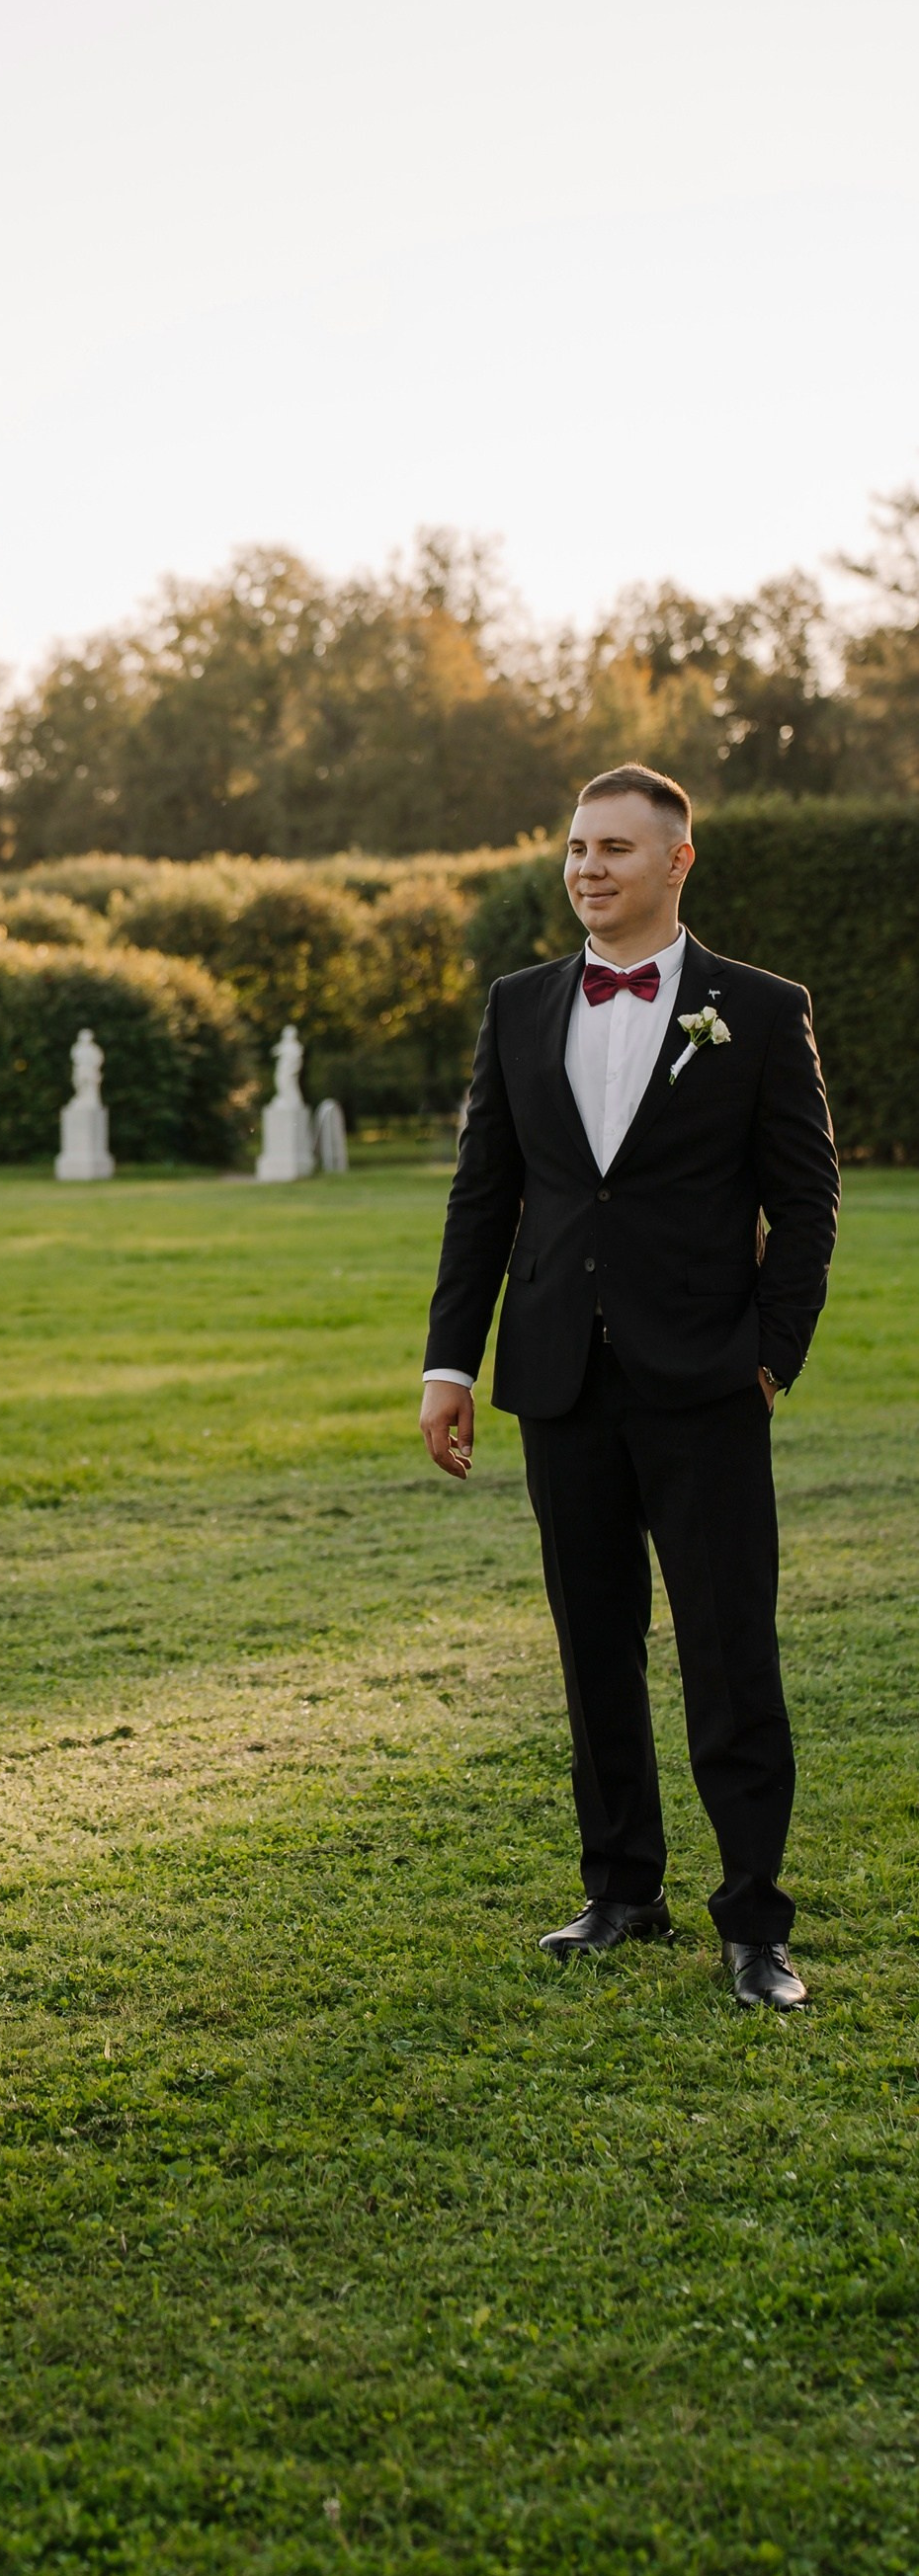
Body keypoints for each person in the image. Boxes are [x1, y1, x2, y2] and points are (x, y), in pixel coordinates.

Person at [419, 765, 840, 2011]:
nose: (587, 868)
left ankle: (754, 1924)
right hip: (559, 1382)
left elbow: (807, 1202)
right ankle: (621, 1894)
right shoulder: (518, 1005)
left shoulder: (758, 1012)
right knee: (591, 1645)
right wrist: (452, 1361)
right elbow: (483, 1197)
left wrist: (770, 1354)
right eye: (573, 848)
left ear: (676, 862)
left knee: (727, 1650)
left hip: (706, 1383)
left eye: (612, 848)